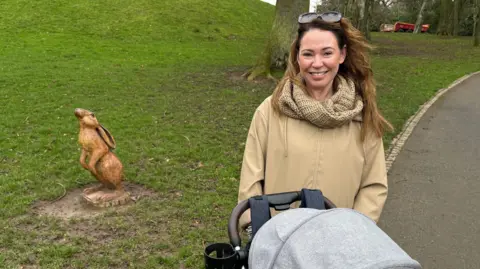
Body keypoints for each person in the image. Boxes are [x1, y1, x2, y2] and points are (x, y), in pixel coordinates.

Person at [237, 11, 393, 230]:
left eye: (327, 53)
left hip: (338, 244)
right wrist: (258, 229)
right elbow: (250, 180)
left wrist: (354, 232)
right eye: (308, 54)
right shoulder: (270, 111)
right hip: (279, 243)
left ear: (342, 54)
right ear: (297, 57)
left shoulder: (362, 116)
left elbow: (373, 186)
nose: (317, 63)